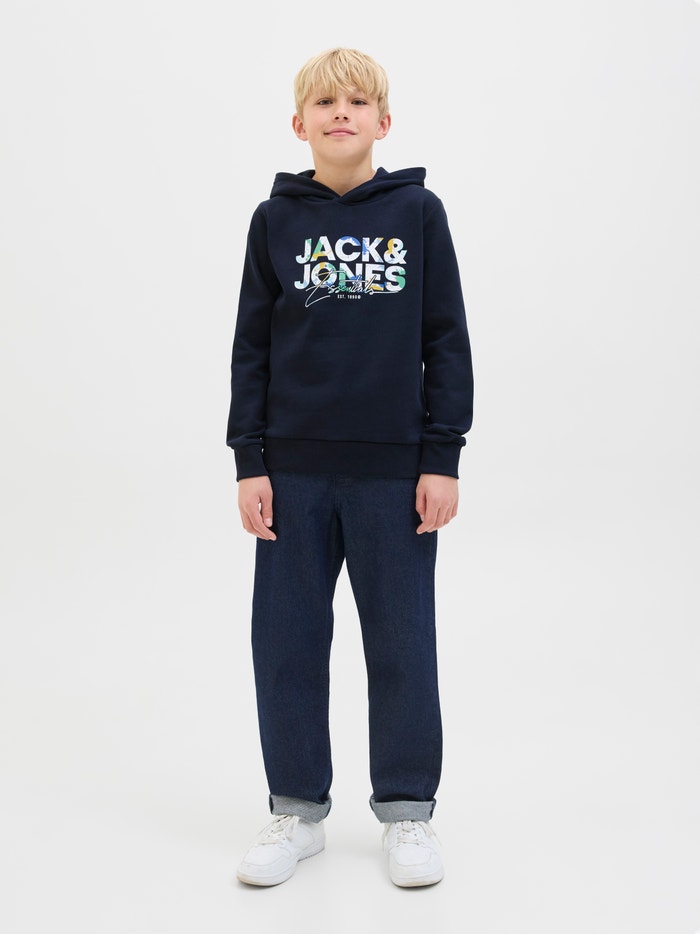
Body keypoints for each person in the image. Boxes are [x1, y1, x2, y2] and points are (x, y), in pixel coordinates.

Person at [226, 47, 473, 888]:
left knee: (401, 642)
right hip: (290, 475)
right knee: (286, 643)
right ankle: (296, 811)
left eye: (358, 102)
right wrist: (249, 460)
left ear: (384, 122)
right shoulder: (273, 221)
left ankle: (407, 813)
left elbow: (446, 339)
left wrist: (441, 457)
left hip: (394, 476)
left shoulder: (419, 213)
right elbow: (251, 349)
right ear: (299, 123)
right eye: (326, 102)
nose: (342, 113)